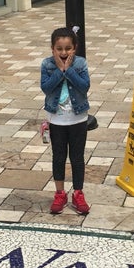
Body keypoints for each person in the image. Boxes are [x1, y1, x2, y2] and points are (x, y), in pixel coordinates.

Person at [40, 27, 91, 215]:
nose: (63, 53)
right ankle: (60, 193)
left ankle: (78, 193)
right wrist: (59, 70)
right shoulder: (46, 65)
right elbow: (46, 88)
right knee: (58, 157)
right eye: (59, 49)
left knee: (77, 158)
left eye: (68, 48)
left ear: (74, 48)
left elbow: (84, 87)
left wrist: (68, 70)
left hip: (78, 118)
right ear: (52, 48)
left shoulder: (80, 64)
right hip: (57, 120)